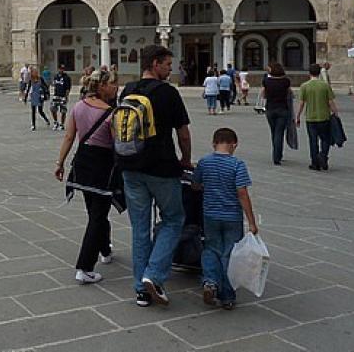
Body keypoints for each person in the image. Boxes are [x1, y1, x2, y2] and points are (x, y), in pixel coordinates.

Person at [118, 45, 192, 307]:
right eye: (168, 65)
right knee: (173, 219)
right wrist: (184, 159)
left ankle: (140, 289)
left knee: (140, 228)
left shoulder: (127, 90)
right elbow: (183, 133)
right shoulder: (168, 93)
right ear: (155, 64)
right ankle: (154, 275)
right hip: (161, 167)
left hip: (130, 165)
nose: (171, 69)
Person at [54, 69, 119, 284]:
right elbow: (116, 144)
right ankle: (84, 266)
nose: (116, 87)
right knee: (98, 215)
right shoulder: (111, 112)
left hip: (82, 163)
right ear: (101, 87)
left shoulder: (78, 106)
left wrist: (60, 163)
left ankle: (105, 250)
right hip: (102, 166)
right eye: (112, 83)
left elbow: (69, 136)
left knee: (95, 212)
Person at [192, 128, 258, 310]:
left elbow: (195, 185)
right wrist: (251, 221)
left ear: (214, 143)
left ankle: (210, 282)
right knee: (229, 253)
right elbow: (242, 193)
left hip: (210, 214)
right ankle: (227, 296)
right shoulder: (238, 165)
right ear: (234, 144)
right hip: (232, 217)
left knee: (211, 249)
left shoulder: (204, 162)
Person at [296, 64, 338, 171]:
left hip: (311, 118)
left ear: (309, 73)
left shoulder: (304, 86)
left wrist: (298, 116)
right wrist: (335, 113)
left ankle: (315, 162)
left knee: (313, 140)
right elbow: (330, 102)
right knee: (325, 139)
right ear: (319, 73)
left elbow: (301, 103)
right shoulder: (325, 86)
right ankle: (323, 156)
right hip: (324, 117)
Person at [260, 62, 292, 165]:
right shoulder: (286, 81)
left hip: (270, 109)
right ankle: (277, 155)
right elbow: (289, 93)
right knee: (280, 132)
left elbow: (264, 95)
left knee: (273, 132)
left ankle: (276, 153)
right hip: (283, 109)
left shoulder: (266, 81)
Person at [25, 66, 51, 131]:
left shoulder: (40, 79)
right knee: (33, 111)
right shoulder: (31, 80)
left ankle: (46, 119)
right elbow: (28, 89)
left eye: (36, 72)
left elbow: (45, 86)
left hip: (40, 96)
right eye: (34, 72)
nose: (35, 73)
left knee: (40, 111)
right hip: (34, 96)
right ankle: (33, 125)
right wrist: (25, 97)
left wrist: (47, 93)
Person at [50, 65, 72, 130]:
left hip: (63, 96)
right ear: (58, 69)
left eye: (62, 69)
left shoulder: (66, 77)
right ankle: (55, 122)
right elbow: (54, 84)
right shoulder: (56, 76)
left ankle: (62, 124)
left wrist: (66, 96)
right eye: (60, 69)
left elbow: (68, 88)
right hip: (56, 95)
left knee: (63, 111)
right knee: (53, 109)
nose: (61, 70)